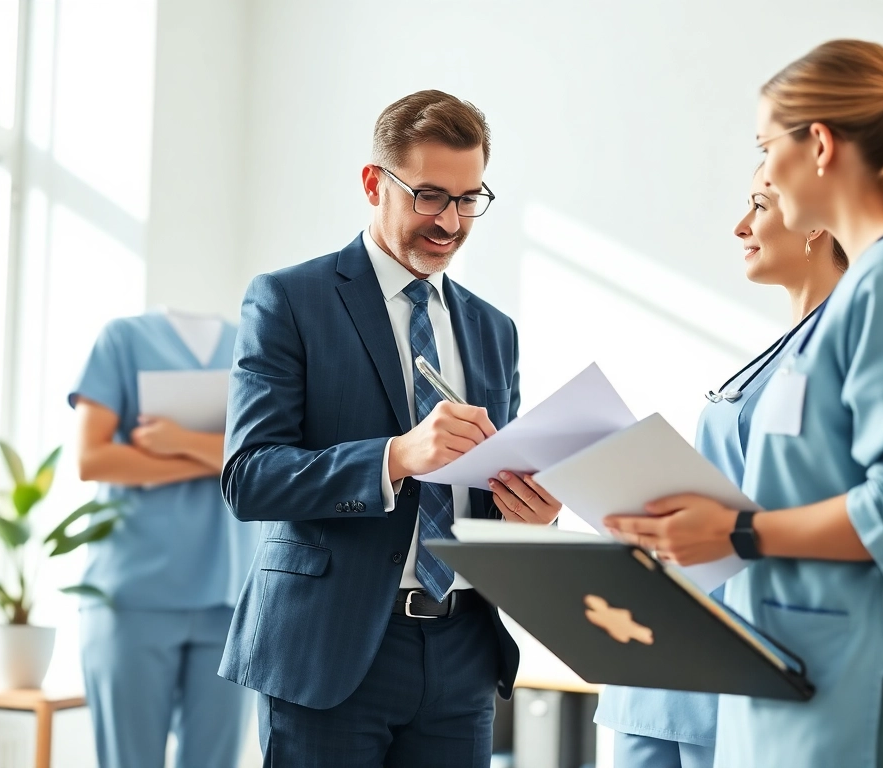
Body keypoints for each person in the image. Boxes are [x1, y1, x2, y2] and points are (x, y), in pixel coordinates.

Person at [606, 39, 883, 768]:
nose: (763, 173)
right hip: (802, 673)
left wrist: (735, 531)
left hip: (869, 682)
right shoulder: (854, 300)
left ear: (819, 145)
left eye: (767, 148)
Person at [219, 89, 562, 767]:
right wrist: (395, 457)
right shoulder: (289, 300)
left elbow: (489, 485)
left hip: (463, 651)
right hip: (330, 650)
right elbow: (249, 478)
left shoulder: (493, 330)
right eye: (430, 196)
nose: (450, 221)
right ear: (375, 183)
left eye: (468, 199)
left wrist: (533, 515)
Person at [594, 165, 846, 767]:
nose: (741, 227)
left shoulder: (845, 350)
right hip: (668, 639)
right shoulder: (785, 349)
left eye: (759, 205)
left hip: (735, 647)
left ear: (813, 222)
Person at [69, 308, 258, 768]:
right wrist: (223, 460)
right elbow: (92, 459)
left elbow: (273, 458)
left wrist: (178, 441)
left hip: (229, 598)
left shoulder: (256, 344)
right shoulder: (121, 340)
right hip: (132, 596)